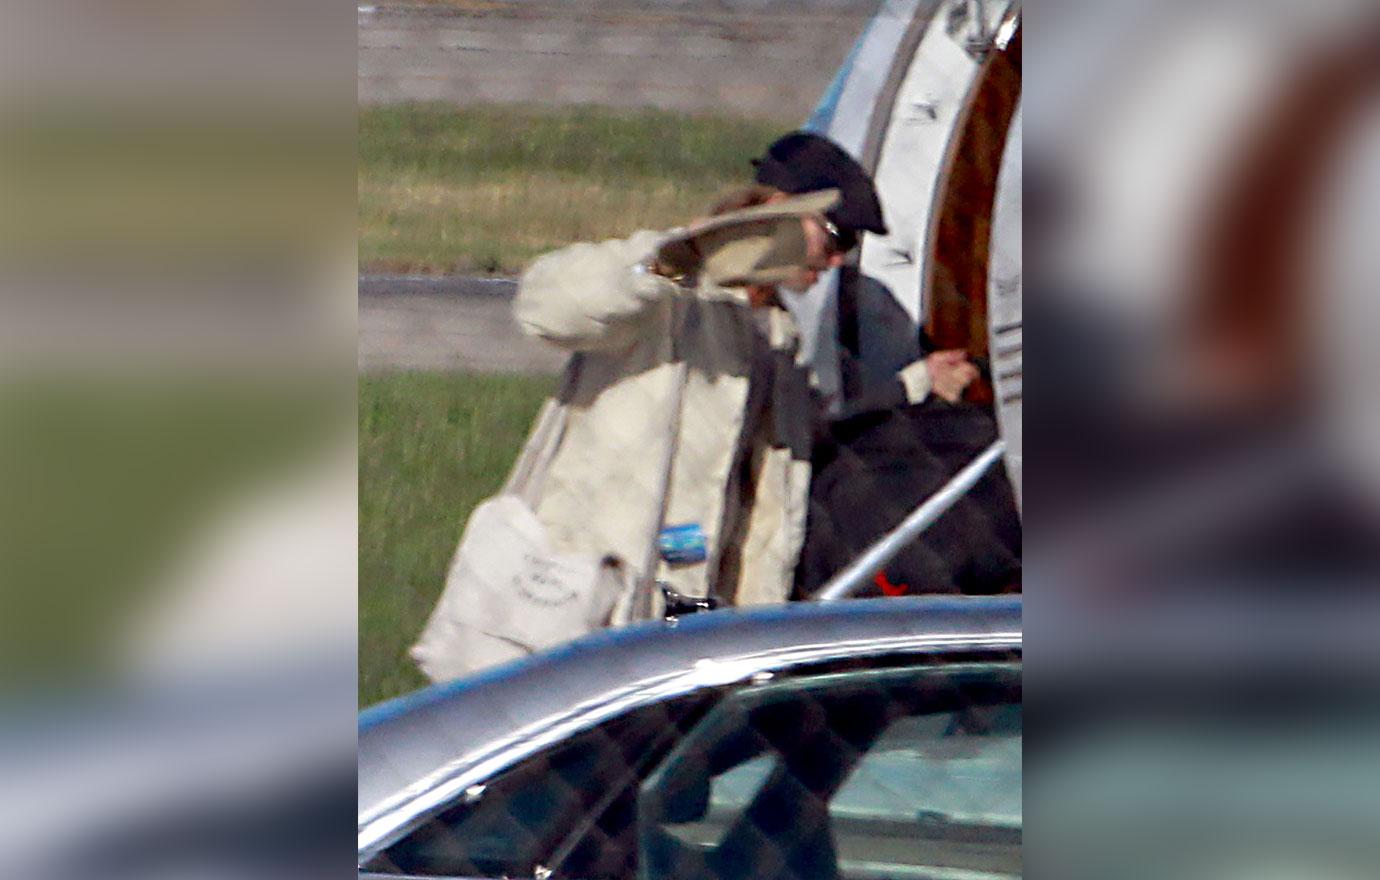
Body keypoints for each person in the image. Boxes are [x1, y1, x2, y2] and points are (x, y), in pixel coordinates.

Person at [512, 131, 977, 620]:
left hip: (686, 600)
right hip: (584, 594)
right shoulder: (671, 298)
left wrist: (915, 384)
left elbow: (807, 437)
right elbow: (543, 307)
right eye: (837, 237)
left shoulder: (776, 335)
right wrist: (667, 265)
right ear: (779, 211)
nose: (839, 260)